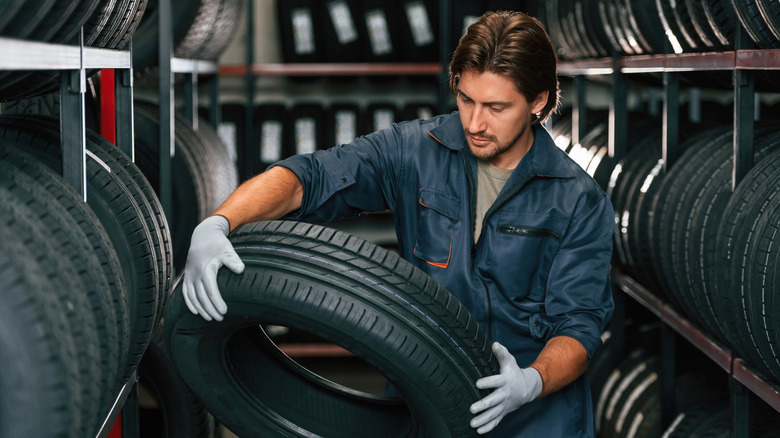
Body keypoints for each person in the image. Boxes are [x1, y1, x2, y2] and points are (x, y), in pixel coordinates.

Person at [182, 10, 614, 437]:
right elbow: (308, 178)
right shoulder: (414, 151)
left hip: (535, 420)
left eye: (496, 107)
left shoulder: (579, 199)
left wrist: (531, 381)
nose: (475, 123)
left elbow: (578, 327)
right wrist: (220, 221)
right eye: (466, 99)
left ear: (537, 102)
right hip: (422, 403)